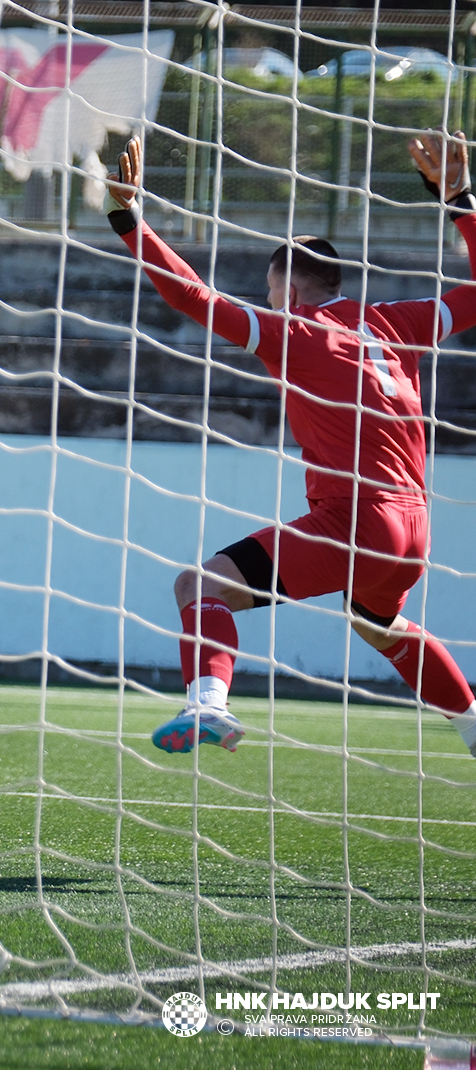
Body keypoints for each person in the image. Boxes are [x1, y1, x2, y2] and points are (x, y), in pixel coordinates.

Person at [104, 132, 476, 758]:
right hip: (413, 529)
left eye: (272, 295)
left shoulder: (296, 333)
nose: (269, 305)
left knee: (200, 586)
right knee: (377, 624)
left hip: (353, 519)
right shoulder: (398, 322)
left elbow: (191, 296)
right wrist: (462, 198)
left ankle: (209, 706)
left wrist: (128, 219)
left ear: (293, 295)